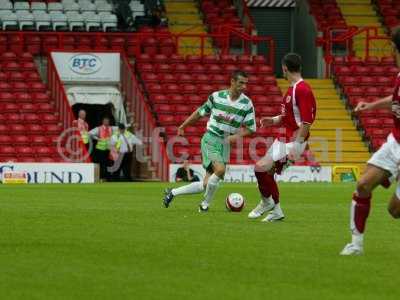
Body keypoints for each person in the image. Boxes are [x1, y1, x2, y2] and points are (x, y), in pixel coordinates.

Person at [340, 28, 400, 255]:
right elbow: (394, 100)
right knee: (363, 185)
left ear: (395, 48)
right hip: (395, 142)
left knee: (395, 210)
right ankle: (356, 245)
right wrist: (371, 105)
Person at [163, 70, 256, 212]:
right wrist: (183, 125)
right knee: (220, 170)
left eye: (245, 84)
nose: (244, 86)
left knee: (206, 184)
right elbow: (200, 113)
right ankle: (204, 205)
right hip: (211, 138)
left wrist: (234, 137)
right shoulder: (216, 97)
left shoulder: (247, 104)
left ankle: (172, 192)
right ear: (232, 81)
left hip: (225, 143)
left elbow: (251, 129)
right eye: (240, 83)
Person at [248, 53, 317, 222]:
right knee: (266, 172)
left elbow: (306, 123)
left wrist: (296, 147)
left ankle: (266, 203)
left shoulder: (302, 89)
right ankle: (276, 210)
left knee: (260, 168)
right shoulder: (292, 89)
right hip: (283, 139)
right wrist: (272, 120)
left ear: (285, 68)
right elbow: (289, 117)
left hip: (293, 142)